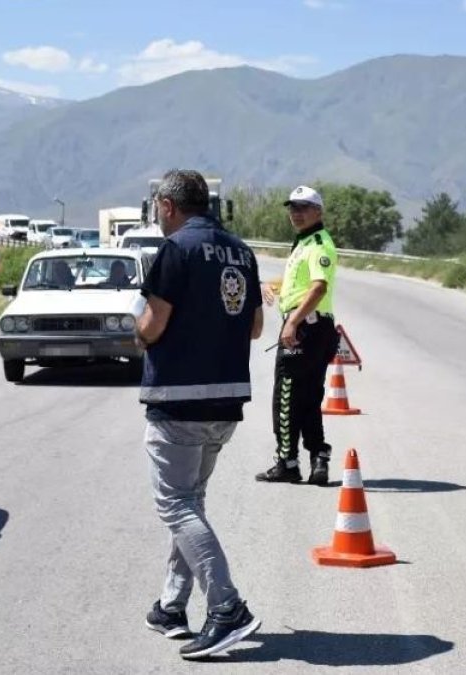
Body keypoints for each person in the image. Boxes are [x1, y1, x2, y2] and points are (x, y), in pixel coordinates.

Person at [134, 169, 265, 660]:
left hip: (179, 402)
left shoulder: (176, 250)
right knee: (192, 500)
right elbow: (254, 326)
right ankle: (172, 605)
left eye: (157, 208)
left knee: (175, 504)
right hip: (226, 403)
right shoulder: (241, 252)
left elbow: (154, 323)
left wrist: (137, 332)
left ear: (168, 205)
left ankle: (227, 607)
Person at [256, 185, 340, 486]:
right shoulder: (303, 243)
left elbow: (318, 287)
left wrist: (292, 321)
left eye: (303, 207)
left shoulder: (318, 243)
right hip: (312, 327)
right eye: (292, 208)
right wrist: (273, 286)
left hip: (306, 328)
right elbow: (299, 283)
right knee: (306, 399)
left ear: (318, 211)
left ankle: (287, 462)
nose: (296, 213)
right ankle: (319, 457)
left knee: (286, 397)